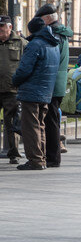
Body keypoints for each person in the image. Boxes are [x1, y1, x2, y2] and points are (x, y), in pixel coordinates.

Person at [12, 17, 59, 170]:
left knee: (30, 127)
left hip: (31, 91)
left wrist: (15, 80)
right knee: (40, 125)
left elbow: (24, 70)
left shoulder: (35, 45)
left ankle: (35, 160)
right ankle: (42, 157)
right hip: (46, 92)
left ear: (32, 30)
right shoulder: (54, 45)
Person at [35, 4, 73, 168]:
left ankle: (52, 157)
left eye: (41, 19)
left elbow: (50, 59)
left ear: (48, 18)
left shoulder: (54, 35)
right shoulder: (62, 33)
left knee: (51, 121)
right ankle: (52, 155)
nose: (40, 23)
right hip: (58, 82)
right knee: (52, 119)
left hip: (51, 82)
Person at [0, 15, 26, 164]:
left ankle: (14, 153)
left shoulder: (21, 43)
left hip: (12, 90)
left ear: (10, 28)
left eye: (2, 29)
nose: (0, 33)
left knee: (11, 123)